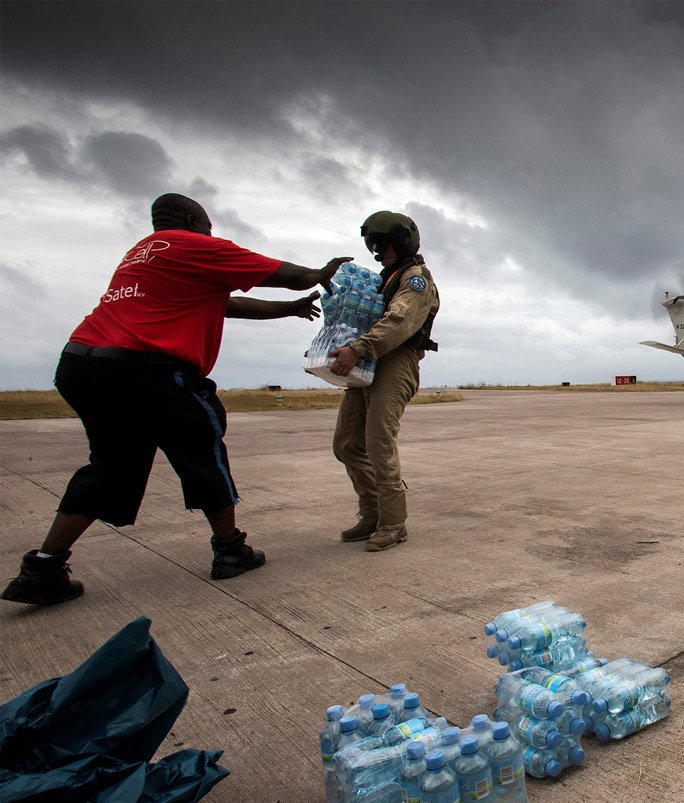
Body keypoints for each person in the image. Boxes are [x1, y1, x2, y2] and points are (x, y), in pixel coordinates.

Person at [1, 193, 350, 606]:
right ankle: (230, 550)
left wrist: (289, 310)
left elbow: (227, 304)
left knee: (111, 465)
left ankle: (43, 567)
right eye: (207, 223)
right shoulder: (196, 246)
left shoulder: (141, 254)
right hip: (146, 367)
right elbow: (286, 272)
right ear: (192, 219)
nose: (211, 231)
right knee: (202, 450)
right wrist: (320, 272)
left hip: (82, 363)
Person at [327, 211, 440, 551]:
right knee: (347, 443)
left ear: (401, 242)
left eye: (383, 245)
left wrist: (358, 348)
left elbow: (399, 321)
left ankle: (393, 523)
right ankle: (372, 513)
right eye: (374, 245)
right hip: (368, 361)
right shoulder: (383, 278)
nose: (378, 251)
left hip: (395, 360)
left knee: (378, 440)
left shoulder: (416, 279)